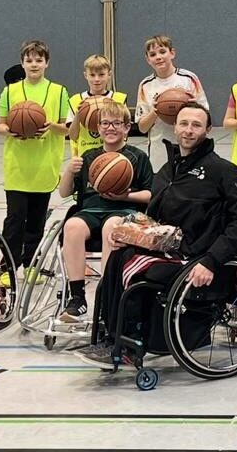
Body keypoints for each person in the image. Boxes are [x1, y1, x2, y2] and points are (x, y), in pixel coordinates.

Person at [81, 102, 237, 369]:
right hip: (171, 248)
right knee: (117, 257)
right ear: (175, 127)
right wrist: (128, 234)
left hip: (201, 256)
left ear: (208, 130)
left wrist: (211, 261)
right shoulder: (168, 170)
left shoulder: (223, 170)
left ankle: (131, 344)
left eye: (196, 125)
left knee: (134, 269)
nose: (188, 130)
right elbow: (153, 220)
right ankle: (112, 337)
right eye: (184, 123)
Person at [54, 101, 152, 323]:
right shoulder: (89, 156)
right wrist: (69, 170)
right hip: (90, 210)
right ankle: (77, 297)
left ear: (127, 128)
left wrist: (125, 197)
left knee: (111, 228)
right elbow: (64, 192)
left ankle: (105, 296)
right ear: (98, 128)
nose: (110, 128)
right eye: (105, 123)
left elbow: (150, 194)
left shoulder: (137, 157)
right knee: (72, 226)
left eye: (117, 123)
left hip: (124, 210)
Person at [0, 39, 72, 276]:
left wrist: (50, 126)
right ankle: (8, 267)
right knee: (15, 220)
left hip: (44, 165)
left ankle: (31, 265)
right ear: (22, 63)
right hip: (17, 165)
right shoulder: (10, 91)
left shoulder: (59, 91)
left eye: (39, 60)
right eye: (29, 60)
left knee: (36, 222)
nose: (34, 64)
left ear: (47, 63)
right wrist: (10, 131)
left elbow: (66, 129)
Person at [133, 35, 208, 169]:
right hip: (159, 154)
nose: (158, 57)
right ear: (148, 59)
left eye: (162, 52)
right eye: (153, 54)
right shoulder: (145, 85)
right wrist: (155, 112)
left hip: (191, 150)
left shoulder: (189, 79)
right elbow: (142, 128)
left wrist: (193, 107)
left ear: (172, 53)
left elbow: (206, 117)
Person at [67, 54, 131, 159]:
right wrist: (78, 114)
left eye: (101, 75)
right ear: (85, 75)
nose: (96, 79)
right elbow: (73, 136)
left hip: (113, 156)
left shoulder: (118, 99)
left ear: (109, 75)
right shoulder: (76, 100)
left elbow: (124, 134)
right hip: (84, 157)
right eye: (92, 75)